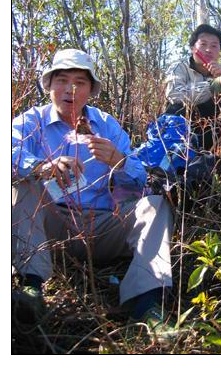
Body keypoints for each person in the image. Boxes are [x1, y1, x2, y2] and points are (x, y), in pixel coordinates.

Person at [12, 48, 177, 341]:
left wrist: (119, 160)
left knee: (154, 204)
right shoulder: (31, 122)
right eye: (62, 80)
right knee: (21, 185)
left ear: (91, 90)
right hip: (50, 230)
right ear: (49, 85)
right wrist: (40, 167)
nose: (70, 90)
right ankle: (31, 285)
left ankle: (146, 303)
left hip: (103, 227)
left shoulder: (106, 124)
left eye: (80, 82)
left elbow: (139, 177)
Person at [164, 24, 221, 150]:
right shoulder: (179, 67)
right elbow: (174, 95)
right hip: (182, 128)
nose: (208, 50)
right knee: (177, 108)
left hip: (209, 128)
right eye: (203, 44)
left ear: (219, 51)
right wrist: (215, 84)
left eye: (214, 46)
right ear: (193, 48)